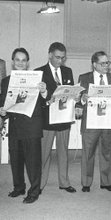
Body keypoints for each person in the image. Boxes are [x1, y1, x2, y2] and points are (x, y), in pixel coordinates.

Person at [0, 48, 47, 203]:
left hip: (32, 126)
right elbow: (3, 104)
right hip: (14, 126)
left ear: (27, 63)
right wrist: (2, 110)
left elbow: (46, 103)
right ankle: (19, 187)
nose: (20, 63)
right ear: (13, 62)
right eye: (17, 60)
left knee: (33, 162)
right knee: (16, 160)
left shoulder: (37, 80)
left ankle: (34, 193)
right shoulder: (5, 81)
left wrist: (44, 91)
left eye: (24, 60)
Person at [35, 42, 76, 193]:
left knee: (63, 152)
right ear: (50, 55)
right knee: (43, 155)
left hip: (63, 119)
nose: (60, 61)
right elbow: (36, 100)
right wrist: (47, 97)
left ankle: (64, 183)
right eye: (57, 57)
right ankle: (39, 184)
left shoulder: (68, 71)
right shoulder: (39, 72)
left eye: (63, 58)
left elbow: (69, 92)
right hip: (46, 120)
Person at [78, 51, 111, 192]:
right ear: (94, 64)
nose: (106, 66)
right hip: (90, 122)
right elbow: (79, 100)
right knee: (88, 153)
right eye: (103, 63)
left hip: (107, 121)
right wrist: (83, 98)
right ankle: (86, 182)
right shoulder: (84, 78)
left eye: (108, 62)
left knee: (107, 152)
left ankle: (106, 182)